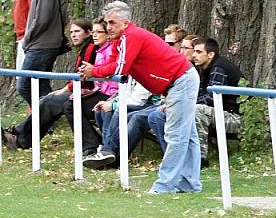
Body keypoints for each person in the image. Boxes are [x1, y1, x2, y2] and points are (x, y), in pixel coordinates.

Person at [79, 1, 202, 194]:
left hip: (180, 81)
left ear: (126, 22)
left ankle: (164, 186)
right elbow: (114, 63)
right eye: (106, 23)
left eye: (112, 23)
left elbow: (120, 68)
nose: (108, 27)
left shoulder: (131, 36)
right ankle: (189, 184)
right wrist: (93, 71)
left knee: (176, 136)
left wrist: (94, 70)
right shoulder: (120, 40)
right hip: (176, 83)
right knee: (188, 136)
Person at [3, 19, 95, 150]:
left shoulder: (91, 48)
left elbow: (83, 77)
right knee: (47, 100)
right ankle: (21, 138)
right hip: (80, 89)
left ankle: (17, 135)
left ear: (88, 32)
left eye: (77, 31)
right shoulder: (85, 48)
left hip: (90, 93)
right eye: (71, 32)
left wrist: (65, 89)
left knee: (51, 101)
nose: (74, 35)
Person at [64, 18, 119, 157]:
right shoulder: (100, 50)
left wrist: (93, 71)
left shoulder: (112, 49)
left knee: (70, 106)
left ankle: (92, 145)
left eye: (98, 32)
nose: (94, 35)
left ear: (107, 34)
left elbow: (112, 70)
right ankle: (92, 143)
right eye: (93, 32)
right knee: (70, 104)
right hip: (101, 90)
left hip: (112, 93)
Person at [17, 0, 65, 106]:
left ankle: (49, 114)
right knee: (41, 85)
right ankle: (47, 120)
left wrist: (27, 38)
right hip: (42, 44)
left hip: (42, 46)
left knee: (24, 85)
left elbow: (41, 20)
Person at [84, 77, 160, 169]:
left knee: (122, 112)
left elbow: (139, 99)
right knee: (101, 111)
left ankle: (111, 154)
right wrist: (112, 101)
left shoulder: (146, 72)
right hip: (136, 103)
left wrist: (113, 105)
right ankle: (107, 154)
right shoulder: (131, 73)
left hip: (150, 104)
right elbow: (126, 93)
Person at [192, 38, 243, 166]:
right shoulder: (204, 68)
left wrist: (187, 105)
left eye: (198, 52)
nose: (194, 55)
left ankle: (200, 159)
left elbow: (211, 98)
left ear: (210, 54)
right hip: (221, 114)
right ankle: (183, 155)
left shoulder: (218, 68)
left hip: (236, 118)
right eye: (194, 51)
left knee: (197, 110)